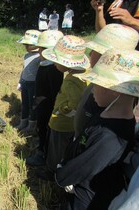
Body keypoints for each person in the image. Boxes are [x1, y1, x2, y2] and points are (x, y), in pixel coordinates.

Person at [55, 48, 138, 210]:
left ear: (114, 91)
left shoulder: (111, 137)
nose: (92, 89)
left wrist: (62, 176)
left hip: (85, 199)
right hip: (80, 188)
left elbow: (85, 165)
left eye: (96, 84)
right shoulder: (104, 112)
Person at [74, 23, 139, 138]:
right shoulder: (100, 86)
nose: (89, 54)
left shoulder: (109, 94)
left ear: (108, 59)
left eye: (95, 51)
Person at [40, 35, 89, 178]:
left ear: (68, 63)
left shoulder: (71, 81)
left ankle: (52, 171)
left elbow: (74, 103)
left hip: (61, 122)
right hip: (73, 124)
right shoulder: (84, 74)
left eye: (57, 62)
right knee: (66, 149)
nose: (55, 64)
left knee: (56, 148)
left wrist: (61, 110)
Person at [25, 30, 64, 166]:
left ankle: (43, 154)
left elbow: (54, 93)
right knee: (41, 127)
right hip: (41, 103)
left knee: (44, 128)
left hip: (48, 106)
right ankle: (41, 147)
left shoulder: (54, 70)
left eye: (41, 48)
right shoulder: (44, 65)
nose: (38, 51)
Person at [15, 30, 41, 134]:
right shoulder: (26, 56)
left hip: (33, 84)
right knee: (24, 104)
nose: (26, 47)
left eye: (28, 45)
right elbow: (24, 69)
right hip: (25, 82)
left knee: (32, 105)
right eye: (25, 45)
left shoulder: (40, 57)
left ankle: (31, 124)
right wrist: (20, 81)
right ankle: (23, 122)